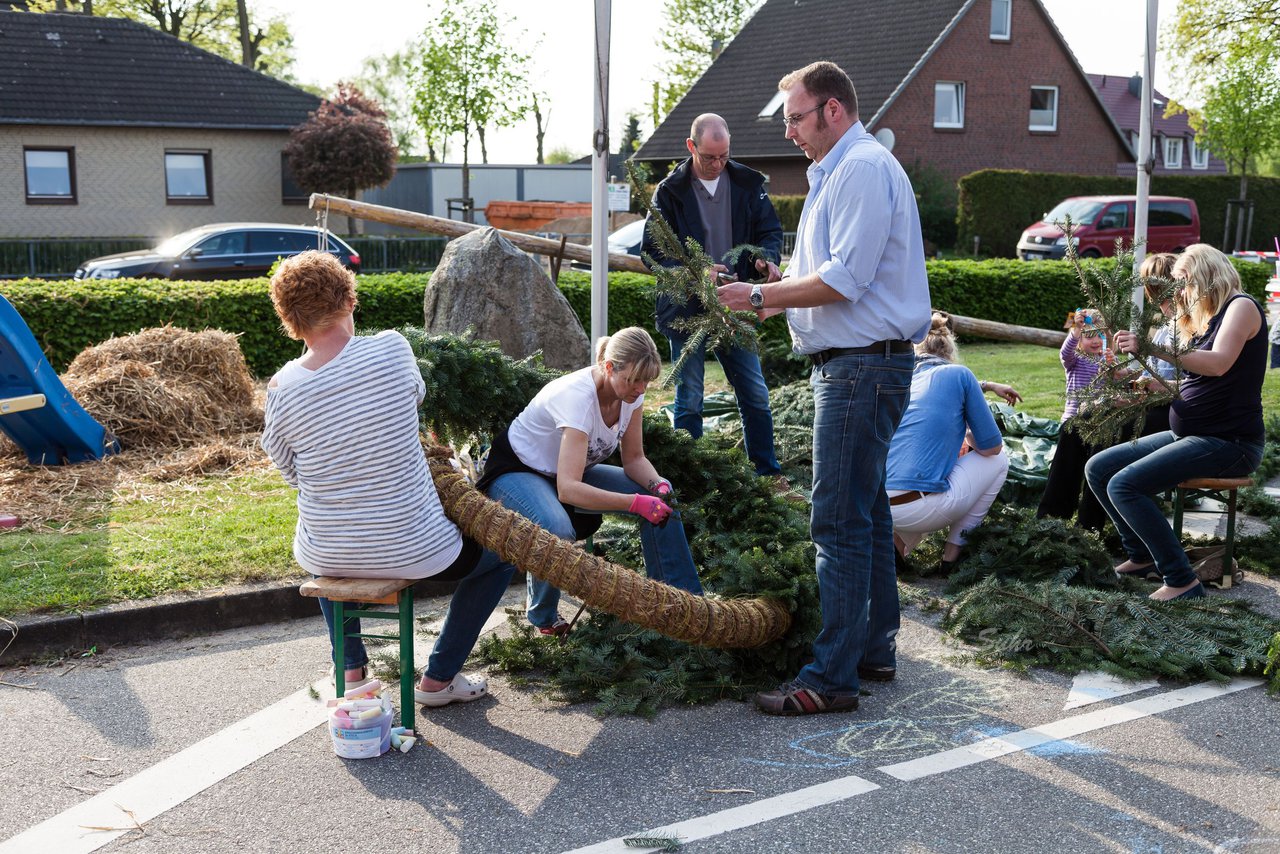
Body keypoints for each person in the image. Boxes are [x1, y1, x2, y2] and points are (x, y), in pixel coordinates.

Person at [717, 61, 931, 715]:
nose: (787, 131)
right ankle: (871, 650)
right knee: (863, 515)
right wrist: (781, 287)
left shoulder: (860, 168)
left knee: (835, 521)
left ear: (833, 110)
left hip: (861, 368)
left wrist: (758, 293)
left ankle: (831, 677)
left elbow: (846, 279)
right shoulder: (838, 171)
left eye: (795, 117)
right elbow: (830, 279)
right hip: (862, 362)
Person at [260, 251, 515, 707]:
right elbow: (413, 401)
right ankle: (439, 679)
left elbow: (291, 473)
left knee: (326, 539)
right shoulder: (392, 348)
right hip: (417, 550)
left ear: (289, 320)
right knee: (499, 560)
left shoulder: (279, 389)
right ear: (349, 299)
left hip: (331, 554)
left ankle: (353, 670)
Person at [477, 327, 703, 636]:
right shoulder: (578, 399)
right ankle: (543, 615)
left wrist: (656, 487)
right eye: (634, 380)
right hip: (519, 470)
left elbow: (635, 459)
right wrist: (635, 503)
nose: (640, 389)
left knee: (663, 494)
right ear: (609, 368)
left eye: (646, 381)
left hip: (567, 472)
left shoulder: (631, 395)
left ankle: (680, 604)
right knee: (555, 527)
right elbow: (568, 490)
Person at [1086, 244, 1267, 601]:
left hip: (1231, 442)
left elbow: (1217, 364)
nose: (1178, 292)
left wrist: (1151, 349)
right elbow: (1200, 381)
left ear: (1205, 276)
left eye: (1182, 282)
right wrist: (1153, 383)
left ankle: (1181, 579)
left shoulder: (1241, 307)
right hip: (1195, 433)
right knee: (1099, 468)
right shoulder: (1206, 317)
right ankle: (1141, 556)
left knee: (1124, 485)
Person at [641, 113, 787, 486]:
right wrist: (694, 271)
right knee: (689, 396)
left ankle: (767, 474)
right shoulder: (668, 192)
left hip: (735, 303)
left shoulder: (748, 183)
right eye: (709, 157)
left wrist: (766, 257)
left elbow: (770, 230)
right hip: (685, 309)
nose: (718, 164)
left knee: (754, 390)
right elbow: (652, 251)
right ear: (691, 147)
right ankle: (690, 481)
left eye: (724, 156)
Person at [886, 312, 1015, 573]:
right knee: (999, 460)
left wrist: (987, 385)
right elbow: (992, 447)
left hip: (879, 507)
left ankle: (896, 545)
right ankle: (952, 558)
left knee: (926, 470)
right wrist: (967, 432)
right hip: (920, 508)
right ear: (950, 351)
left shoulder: (901, 379)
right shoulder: (960, 375)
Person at [1035, 308, 1111, 532]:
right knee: (1069, 468)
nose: (1096, 341)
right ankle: (1057, 514)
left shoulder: (1106, 362)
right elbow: (1064, 353)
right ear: (1080, 340)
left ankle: (1088, 519)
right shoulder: (1075, 360)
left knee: (1090, 468)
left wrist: (1113, 368)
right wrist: (1076, 330)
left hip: (1098, 423)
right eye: (1089, 336)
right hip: (1074, 421)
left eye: (1100, 335)